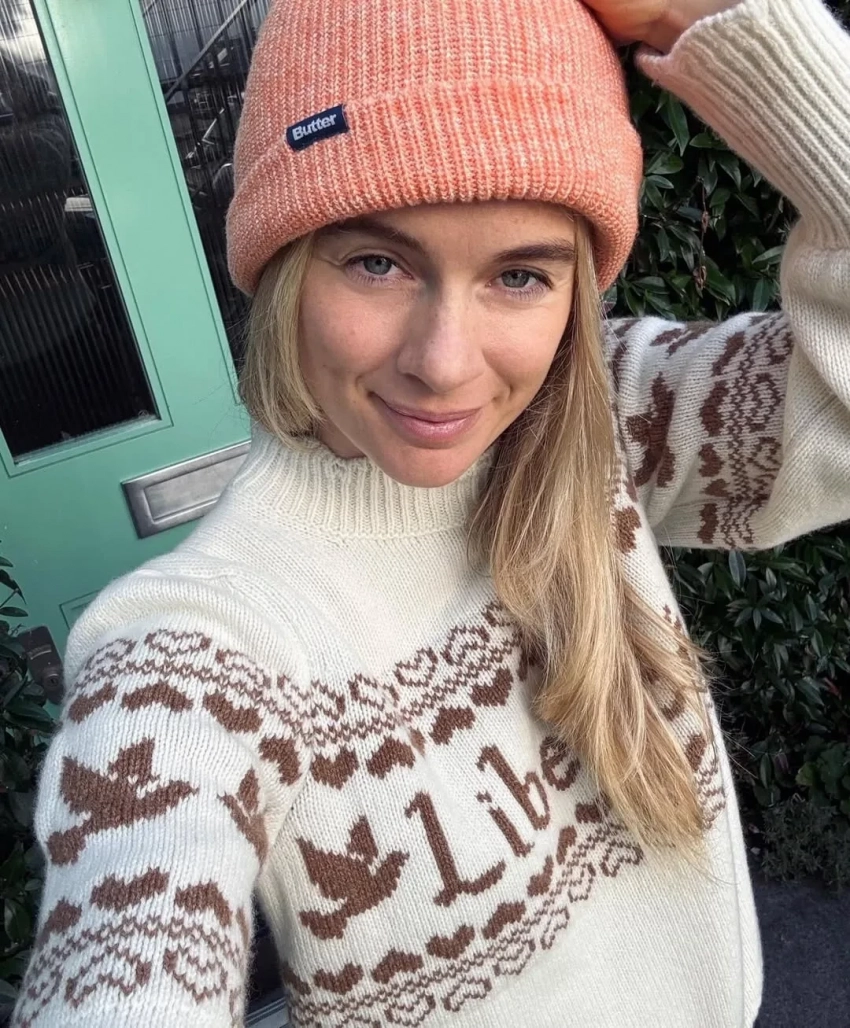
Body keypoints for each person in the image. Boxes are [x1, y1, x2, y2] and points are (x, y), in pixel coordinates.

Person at [11, 0, 850, 1024]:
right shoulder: (194, 650)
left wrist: (718, 19)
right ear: (283, 268)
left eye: (520, 275)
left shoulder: (618, 425)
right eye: (377, 261)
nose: (444, 363)